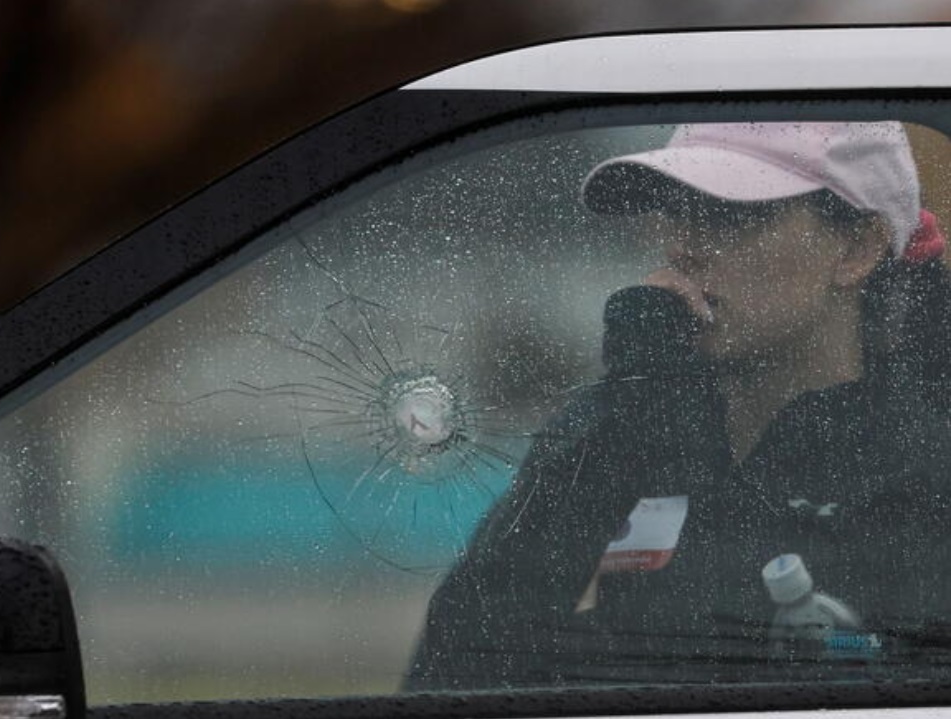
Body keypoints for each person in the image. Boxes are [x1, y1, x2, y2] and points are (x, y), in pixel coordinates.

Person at [405, 122, 951, 689]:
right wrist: (618, 429)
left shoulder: (924, 468)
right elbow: (452, 675)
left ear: (856, 248)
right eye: (674, 213)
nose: (681, 247)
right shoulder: (632, 421)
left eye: (729, 214)